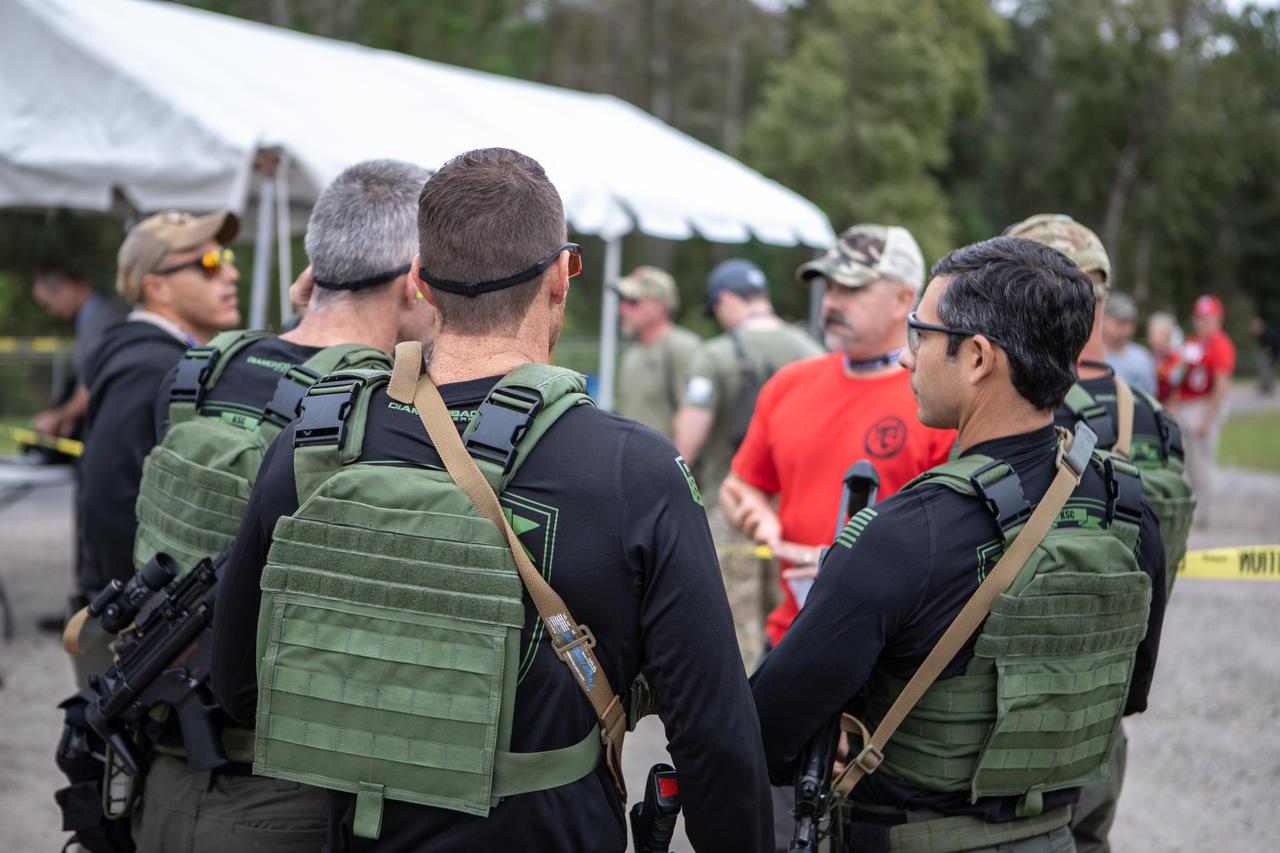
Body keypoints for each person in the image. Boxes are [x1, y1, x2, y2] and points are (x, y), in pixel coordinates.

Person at [210, 147, 772, 852]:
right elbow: (716, 736)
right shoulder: (635, 468)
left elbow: (241, 683)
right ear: (560, 276)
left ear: (419, 282)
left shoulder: (315, 438)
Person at [751, 236, 1165, 853]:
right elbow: (1121, 697)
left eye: (919, 334)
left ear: (976, 358)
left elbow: (762, 728)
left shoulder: (904, 534)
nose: (903, 358)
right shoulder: (1126, 507)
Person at [125, 159, 436, 853]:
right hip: (288, 795)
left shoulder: (201, 370)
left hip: (165, 778)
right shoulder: (380, 413)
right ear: (419, 278)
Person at [1008, 213, 1192, 853]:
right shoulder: (1153, 418)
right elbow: (1163, 559)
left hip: (1010, 698)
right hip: (1102, 690)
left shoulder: (1013, 403)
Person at [720, 225, 955, 649]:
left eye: (851, 288)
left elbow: (954, 543)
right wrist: (756, 514)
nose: (830, 302)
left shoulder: (939, 400)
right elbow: (739, 487)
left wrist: (840, 566)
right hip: (790, 635)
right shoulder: (789, 384)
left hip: (892, 649)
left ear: (904, 298)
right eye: (829, 288)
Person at [73, 209, 241, 682]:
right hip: (132, 628)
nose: (230, 273)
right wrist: (143, 616)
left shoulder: (165, 356)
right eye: (207, 263)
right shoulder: (148, 365)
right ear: (157, 287)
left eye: (225, 258)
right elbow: (109, 499)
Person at [673, 258, 821, 506]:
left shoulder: (714, 355)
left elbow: (686, 445)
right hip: (794, 509)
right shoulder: (813, 352)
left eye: (715, 310)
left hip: (730, 507)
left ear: (726, 299)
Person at [29, 264, 128, 438]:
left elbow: (93, 385)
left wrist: (58, 417)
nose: (51, 311)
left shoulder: (100, 320)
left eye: (48, 303)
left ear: (65, 288)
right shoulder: (95, 314)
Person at [613, 265, 700, 440]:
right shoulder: (633, 352)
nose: (622, 309)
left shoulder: (682, 347)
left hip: (667, 464)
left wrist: (677, 465)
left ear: (660, 306)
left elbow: (697, 417)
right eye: (621, 300)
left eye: (632, 301)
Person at [1172, 294, 1236, 519]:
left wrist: (1209, 417)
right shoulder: (1193, 341)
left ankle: (1205, 511)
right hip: (1187, 405)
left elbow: (1222, 384)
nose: (1201, 322)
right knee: (1189, 461)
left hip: (1204, 405)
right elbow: (1178, 377)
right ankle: (1195, 506)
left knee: (1203, 461)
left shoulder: (1221, 344)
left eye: (1206, 318)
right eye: (1198, 317)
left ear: (1217, 319)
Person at [1102, 292, 1156, 395]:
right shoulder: (1091, 355)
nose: (1127, 329)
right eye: (1121, 322)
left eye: (1131, 323)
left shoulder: (1143, 358)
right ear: (1104, 320)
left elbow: (1150, 396)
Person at [1147, 311, 1184, 405]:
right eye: (1150, 332)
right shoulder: (1149, 355)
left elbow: (1176, 383)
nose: (1151, 337)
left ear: (1167, 335)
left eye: (1155, 333)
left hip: (1168, 405)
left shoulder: (1174, 357)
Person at [1250, 316, 1279, 396]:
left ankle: (1268, 387)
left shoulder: (1268, 333)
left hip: (1276, 354)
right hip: (1271, 355)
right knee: (1264, 368)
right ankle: (1266, 387)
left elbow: (1271, 348)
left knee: (1266, 368)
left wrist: (1268, 357)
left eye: (1255, 327)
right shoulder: (1262, 335)